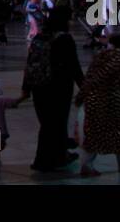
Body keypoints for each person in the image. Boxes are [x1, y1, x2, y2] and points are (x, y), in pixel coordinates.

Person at [20, 10, 84, 171]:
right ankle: (44, 160)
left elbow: (30, 64)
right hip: (58, 87)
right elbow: (73, 65)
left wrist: (25, 88)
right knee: (56, 122)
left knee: (48, 123)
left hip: (38, 87)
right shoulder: (64, 39)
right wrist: (85, 86)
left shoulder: (39, 38)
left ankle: (60, 154)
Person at [75, 32, 120, 177]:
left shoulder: (102, 55)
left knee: (94, 132)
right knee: (118, 132)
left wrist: (82, 94)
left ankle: (87, 164)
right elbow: (102, 77)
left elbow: (90, 76)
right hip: (108, 99)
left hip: (92, 99)